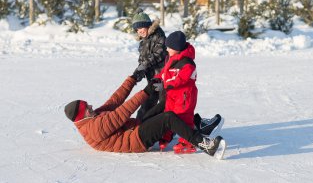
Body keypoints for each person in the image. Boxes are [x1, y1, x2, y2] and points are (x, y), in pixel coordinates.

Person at [64, 76, 224, 158]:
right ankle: (206, 145)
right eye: (87, 108)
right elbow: (121, 113)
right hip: (136, 140)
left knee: (165, 104)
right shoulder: (93, 128)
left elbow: (115, 100)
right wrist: (146, 92)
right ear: (81, 116)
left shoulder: (92, 117)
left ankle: (197, 125)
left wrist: (133, 78)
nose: (91, 106)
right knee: (167, 118)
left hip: (136, 128)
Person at [149, 31, 200, 153]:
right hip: (172, 95)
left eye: (169, 47)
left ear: (177, 48)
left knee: (183, 118)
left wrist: (166, 84)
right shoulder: (172, 58)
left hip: (184, 97)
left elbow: (181, 79)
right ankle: (166, 135)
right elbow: (166, 72)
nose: (167, 49)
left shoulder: (188, 63)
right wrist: (158, 77)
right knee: (169, 114)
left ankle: (187, 142)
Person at [131, 8, 167, 121]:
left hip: (163, 79)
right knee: (146, 103)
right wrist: (139, 71)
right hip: (152, 79)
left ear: (148, 25)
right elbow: (142, 60)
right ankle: (138, 125)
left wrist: (144, 65)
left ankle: (169, 128)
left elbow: (159, 54)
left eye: (141, 27)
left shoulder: (159, 35)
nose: (140, 31)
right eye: (137, 29)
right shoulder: (143, 43)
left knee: (165, 104)